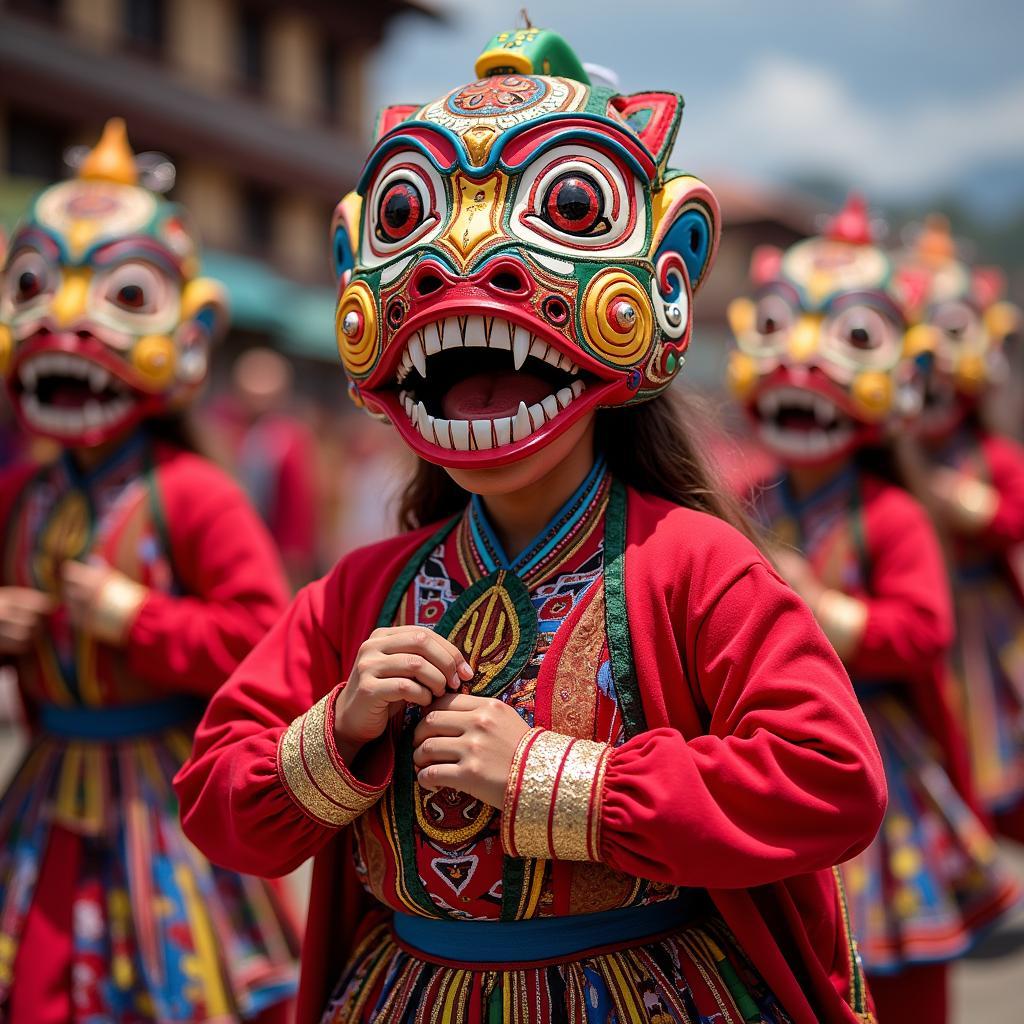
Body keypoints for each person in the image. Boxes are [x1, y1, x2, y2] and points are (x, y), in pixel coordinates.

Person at [177, 30, 887, 1024]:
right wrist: (339, 727)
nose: (458, 267)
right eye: (407, 222)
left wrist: (549, 776)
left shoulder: (692, 565)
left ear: (663, 279)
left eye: (566, 208)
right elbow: (217, 800)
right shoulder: (360, 591)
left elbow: (829, 779)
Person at [0, 120, 299, 1023]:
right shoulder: (20, 490)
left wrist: (138, 619)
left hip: (162, 799)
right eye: (31, 288)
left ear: (192, 330)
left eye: (124, 294)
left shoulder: (195, 494)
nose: (66, 320)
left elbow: (265, 640)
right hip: (44, 788)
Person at [726, 196, 1020, 1023]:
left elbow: (923, 632)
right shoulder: (747, 498)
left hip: (879, 759)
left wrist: (820, 609)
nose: (803, 364)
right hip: (773, 750)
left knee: (898, 984)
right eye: (783, 328)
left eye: (851, 337)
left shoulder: (895, 514)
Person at [898, 215, 1024, 844]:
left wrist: (975, 509)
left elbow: (1014, 518)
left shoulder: (994, 458)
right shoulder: (897, 466)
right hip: (935, 620)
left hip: (991, 620)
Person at [209, 347, 320, 588]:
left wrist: (293, 566)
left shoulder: (288, 440)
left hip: (272, 552)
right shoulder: (220, 429)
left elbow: (297, 512)